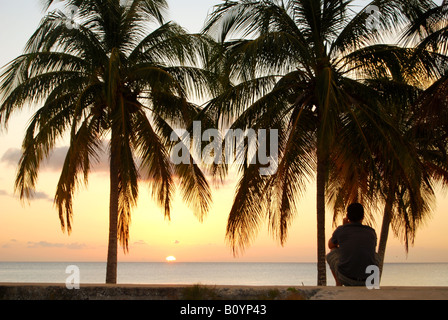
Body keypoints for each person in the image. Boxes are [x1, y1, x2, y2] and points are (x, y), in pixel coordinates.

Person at [326, 203, 380, 286]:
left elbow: (331, 245)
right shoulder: (371, 232)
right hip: (369, 279)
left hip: (346, 278)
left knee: (331, 253)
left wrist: (344, 226)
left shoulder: (341, 230)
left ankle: (338, 284)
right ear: (363, 217)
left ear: (347, 216)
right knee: (375, 255)